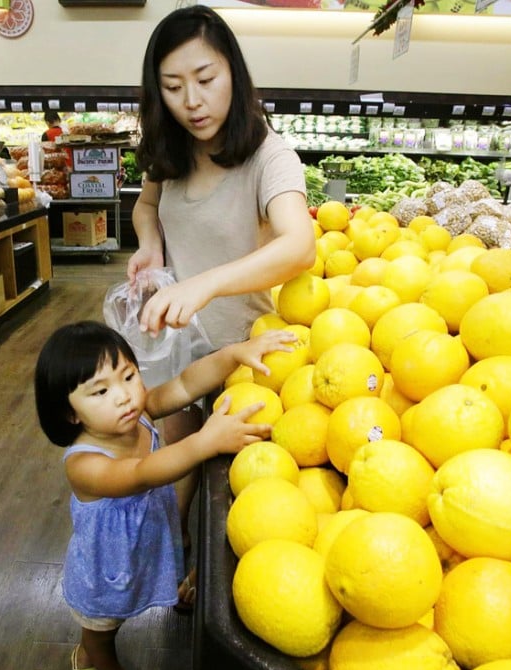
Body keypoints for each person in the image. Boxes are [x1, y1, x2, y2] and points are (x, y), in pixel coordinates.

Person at [126, 5, 315, 552]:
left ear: (233, 71)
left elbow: (299, 244)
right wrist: (150, 244)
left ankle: (196, 566)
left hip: (246, 357)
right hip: (178, 346)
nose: (192, 101)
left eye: (205, 80)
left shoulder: (269, 157)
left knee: (234, 489)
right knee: (176, 463)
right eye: (172, 87)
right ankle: (179, 557)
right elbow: (147, 205)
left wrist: (205, 283)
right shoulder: (170, 148)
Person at [35, 320, 295, 670]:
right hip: (106, 567)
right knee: (103, 624)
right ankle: (102, 666)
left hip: (144, 543)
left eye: (128, 377)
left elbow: (186, 383)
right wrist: (204, 442)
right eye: (100, 392)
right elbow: (143, 473)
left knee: (120, 607)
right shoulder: (84, 464)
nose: (124, 395)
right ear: (70, 412)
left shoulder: (138, 413)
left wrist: (233, 354)